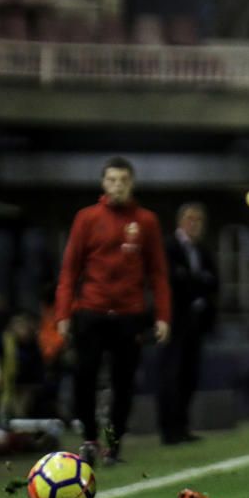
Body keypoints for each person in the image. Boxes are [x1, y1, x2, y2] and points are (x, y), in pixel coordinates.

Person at [55, 156, 171, 465]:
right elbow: (69, 270)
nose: (117, 186)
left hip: (129, 316)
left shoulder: (146, 221)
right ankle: (89, 439)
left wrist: (162, 316)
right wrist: (63, 314)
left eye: (123, 180)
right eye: (112, 180)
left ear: (131, 183)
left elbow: (158, 273)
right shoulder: (86, 218)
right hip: (91, 312)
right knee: (84, 377)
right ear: (103, 183)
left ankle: (114, 444)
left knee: (124, 383)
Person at [159, 202, 218, 444]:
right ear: (180, 222)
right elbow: (173, 282)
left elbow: (213, 283)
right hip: (173, 323)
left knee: (189, 377)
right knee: (170, 376)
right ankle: (169, 430)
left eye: (198, 220)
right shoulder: (169, 248)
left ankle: (183, 426)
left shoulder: (203, 251)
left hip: (196, 325)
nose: (194, 225)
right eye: (190, 219)